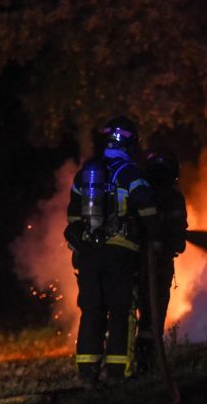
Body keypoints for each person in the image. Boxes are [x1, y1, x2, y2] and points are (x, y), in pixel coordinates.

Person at [64, 116, 160, 383]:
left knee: (92, 311)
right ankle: (118, 373)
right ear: (130, 143)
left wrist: (80, 245)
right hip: (121, 253)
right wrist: (156, 237)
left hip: (89, 255)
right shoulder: (129, 173)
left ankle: (87, 373)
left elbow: (73, 217)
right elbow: (147, 208)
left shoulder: (86, 174)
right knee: (121, 312)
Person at [134, 149, 188, 375]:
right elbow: (179, 242)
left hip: (133, 264)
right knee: (152, 315)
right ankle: (147, 363)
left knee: (130, 314)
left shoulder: (138, 192)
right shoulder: (174, 198)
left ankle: (129, 363)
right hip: (159, 266)